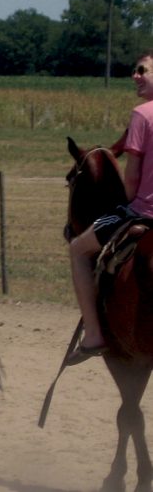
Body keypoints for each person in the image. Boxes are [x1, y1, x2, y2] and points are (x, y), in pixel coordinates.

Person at [66, 50, 153, 365]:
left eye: (142, 70)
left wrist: (125, 200)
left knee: (78, 248)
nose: (135, 76)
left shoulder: (143, 114)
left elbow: (131, 179)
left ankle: (93, 334)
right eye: (135, 70)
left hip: (144, 212)